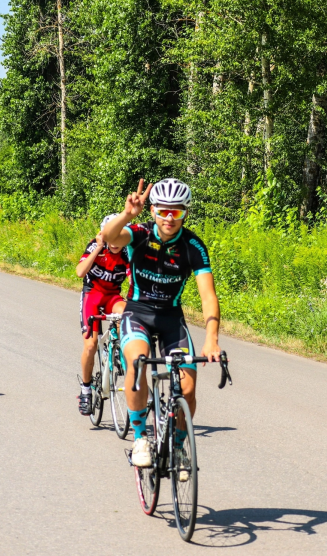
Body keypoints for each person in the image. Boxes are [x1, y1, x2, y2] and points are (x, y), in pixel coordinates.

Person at [100, 178, 221, 467]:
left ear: (185, 213)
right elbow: (109, 237)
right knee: (138, 361)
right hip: (138, 313)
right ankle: (141, 438)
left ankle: (179, 448)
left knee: (188, 388)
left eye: (176, 212)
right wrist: (127, 215)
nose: (169, 218)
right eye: (164, 211)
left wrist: (212, 337)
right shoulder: (139, 233)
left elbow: (208, 296)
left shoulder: (193, 246)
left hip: (171, 318)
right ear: (153, 210)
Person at [74, 213, 130, 415]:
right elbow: (80, 272)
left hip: (112, 298)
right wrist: (98, 247)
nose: (114, 243)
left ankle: (118, 351)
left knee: (127, 313)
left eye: (119, 238)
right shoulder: (95, 247)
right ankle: (86, 389)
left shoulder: (128, 254)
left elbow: (134, 283)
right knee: (90, 345)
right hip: (92, 296)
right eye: (110, 237)